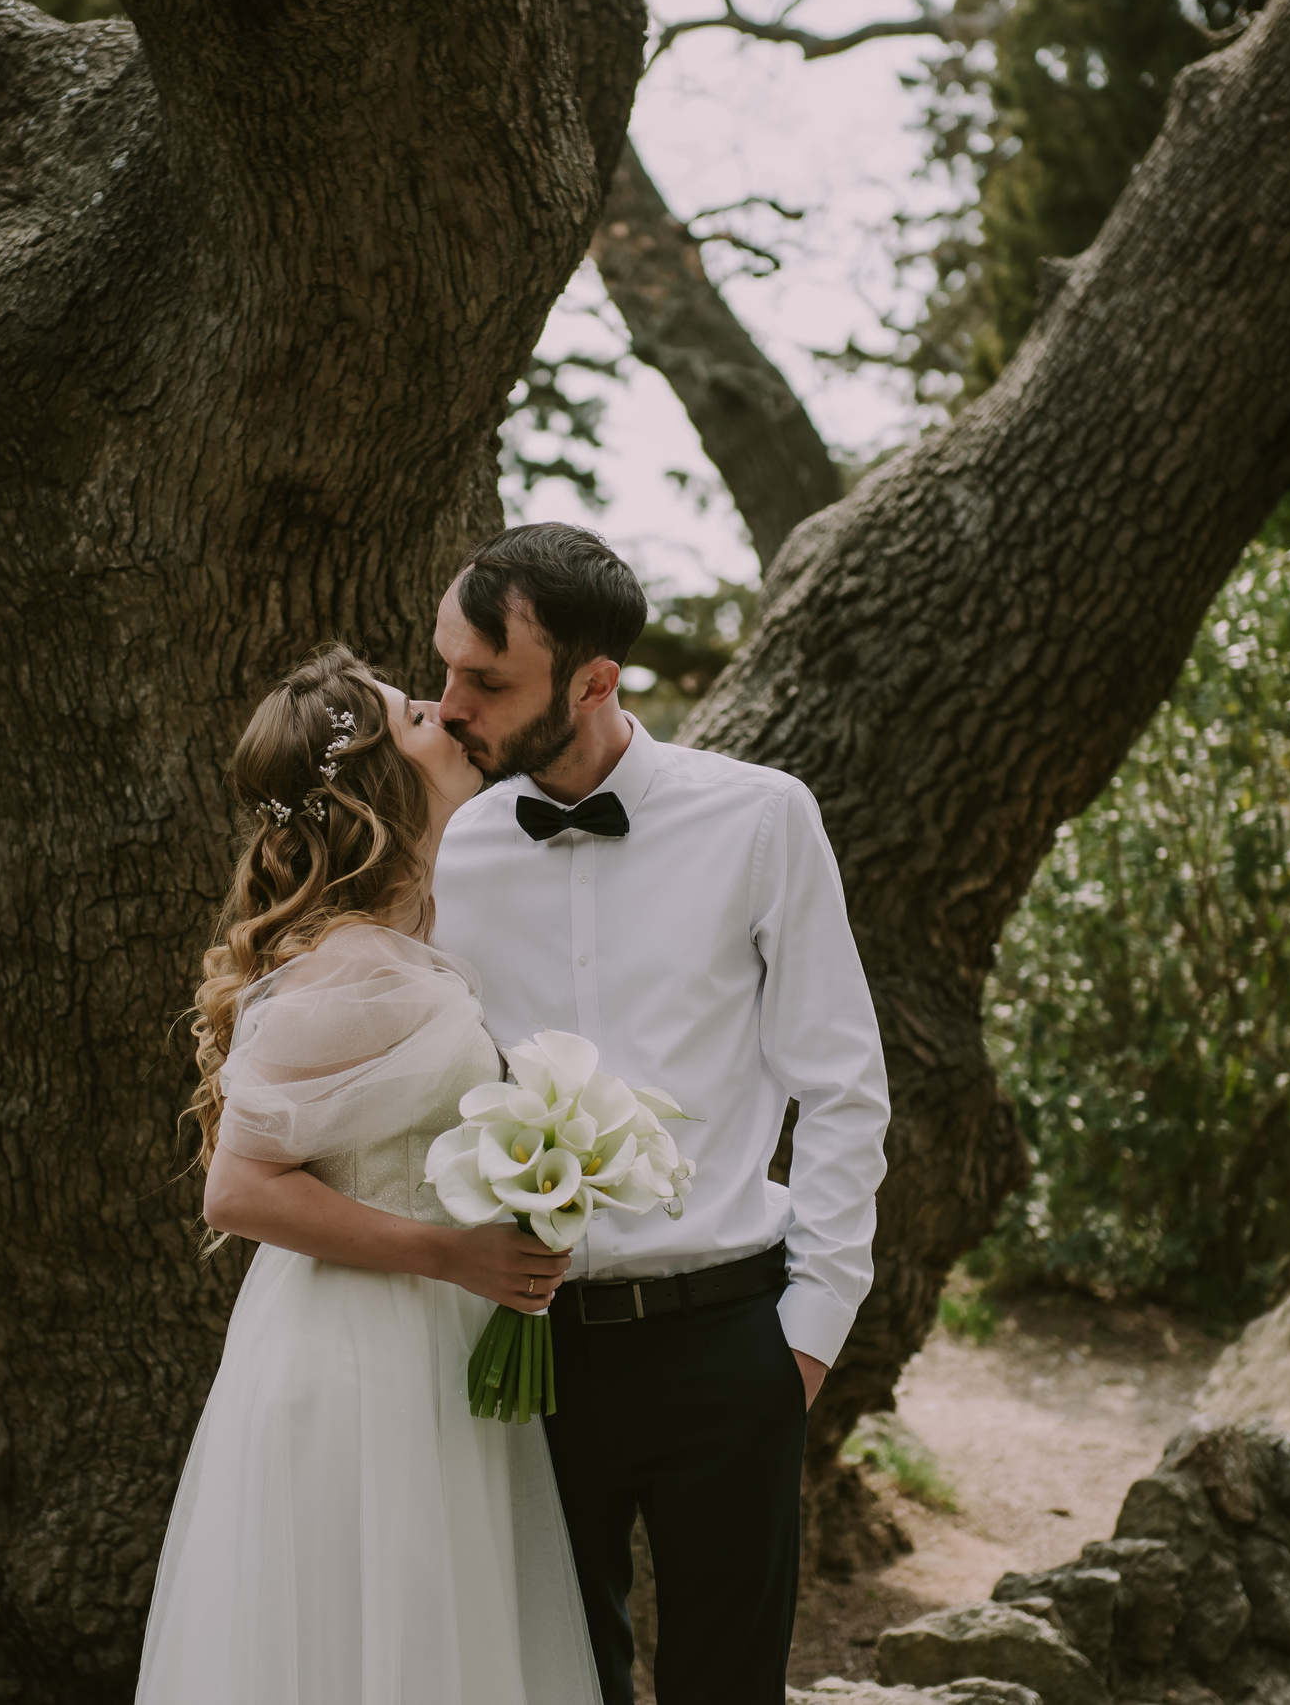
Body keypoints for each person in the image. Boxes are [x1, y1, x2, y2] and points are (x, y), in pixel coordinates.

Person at [430, 522, 891, 1705]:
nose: (450, 706)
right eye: (446, 669)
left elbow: (842, 1082)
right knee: (551, 1686)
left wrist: (807, 1333)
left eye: (487, 680)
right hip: (527, 1350)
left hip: (726, 1339)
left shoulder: (761, 819)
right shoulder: (446, 844)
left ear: (593, 682)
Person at [136, 645, 602, 1705]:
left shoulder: (408, 937)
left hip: (426, 1337)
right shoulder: (350, 966)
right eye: (415, 715)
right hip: (359, 1354)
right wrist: (455, 1253)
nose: (445, 710)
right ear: (380, 781)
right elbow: (237, 1189)